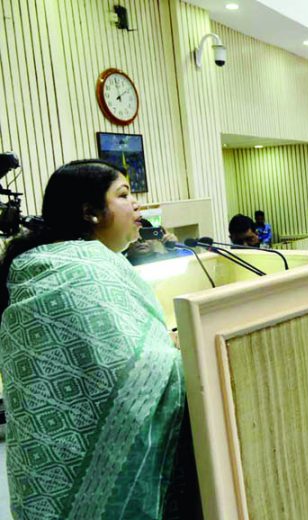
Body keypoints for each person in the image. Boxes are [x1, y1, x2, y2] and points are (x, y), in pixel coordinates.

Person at [0, 160, 190, 519]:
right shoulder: (80, 268)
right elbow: (126, 373)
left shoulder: (62, 262)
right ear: (91, 213)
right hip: (72, 456)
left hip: (44, 474)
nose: (136, 204)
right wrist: (180, 352)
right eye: (123, 195)